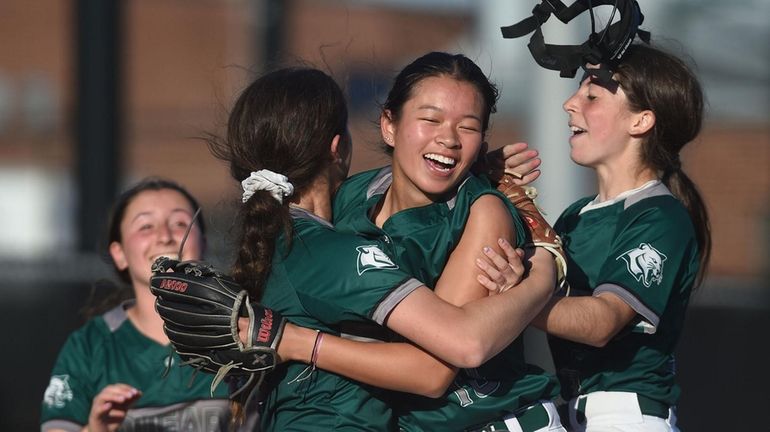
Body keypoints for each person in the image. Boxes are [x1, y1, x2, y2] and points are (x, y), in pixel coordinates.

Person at [201, 59, 564, 432]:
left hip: (493, 420)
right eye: (431, 119)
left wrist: (541, 267)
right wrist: (542, 275)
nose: (450, 138)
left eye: (468, 127)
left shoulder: (481, 209)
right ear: (388, 126)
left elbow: (444, 361)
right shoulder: (343, 209)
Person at [484, 43, 711, 432]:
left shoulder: (660, 216)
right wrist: (484, 185)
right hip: (573, 412)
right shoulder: (576, 214)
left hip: (626, 417)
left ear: (640, 121)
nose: (570, 104)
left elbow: (601, 321)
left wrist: (517, 298)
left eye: (591, 95)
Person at [40, 178, 254, 431]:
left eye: (180, 224)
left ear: (204, 243)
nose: (164, 236)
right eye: (146, 226)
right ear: (119, 254)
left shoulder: (246, 329)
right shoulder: (89, 346)